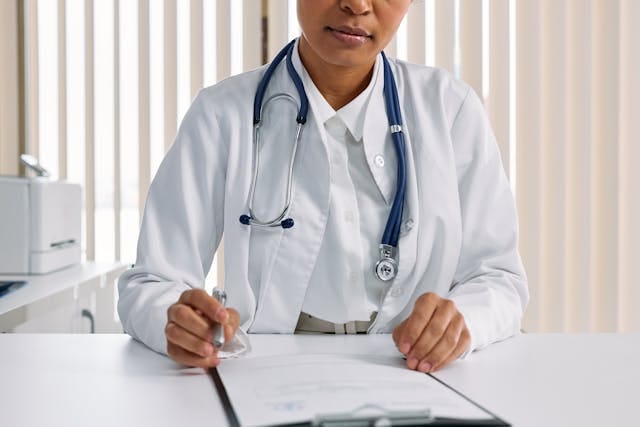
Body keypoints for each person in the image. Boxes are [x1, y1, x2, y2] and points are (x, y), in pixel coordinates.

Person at [118, 0, 528, 373]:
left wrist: (461, 322)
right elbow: (151, 282)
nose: (357, 5)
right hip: (266, 370)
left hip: (412, 370)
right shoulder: (222, 113)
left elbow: (499, 279)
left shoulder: (450, 108)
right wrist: (175, 320)